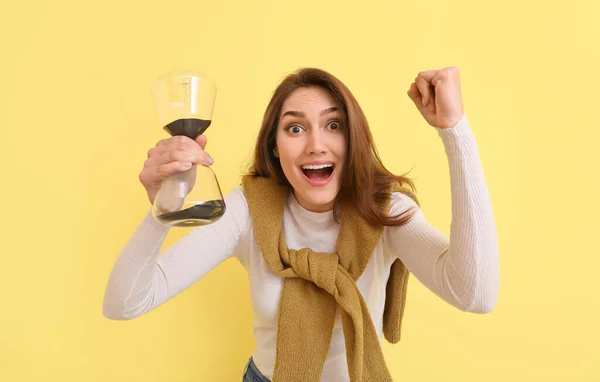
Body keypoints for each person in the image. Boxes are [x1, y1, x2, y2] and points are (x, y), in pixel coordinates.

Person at [102, 67, 499, 382]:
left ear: (353, 137)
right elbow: (125, 303)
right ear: (275, 147)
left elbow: (475, 294)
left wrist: (455, 132)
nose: (315, 144)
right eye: (295, 128)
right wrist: (162, 208)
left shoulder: (386, 213)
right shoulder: (248, 212)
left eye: (333, 125)